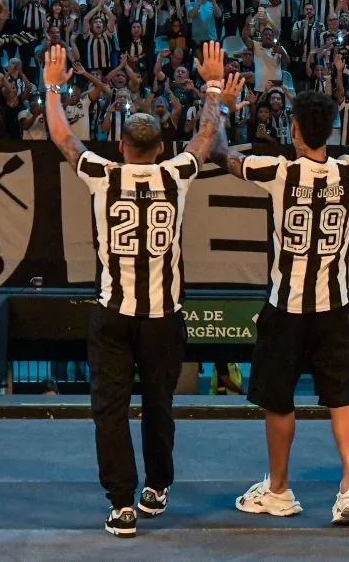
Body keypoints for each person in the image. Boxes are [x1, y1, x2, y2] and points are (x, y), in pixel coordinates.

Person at [44, 41, 240, 538]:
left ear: (122, 148)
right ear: (160, 150)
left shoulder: (102, 174)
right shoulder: (177, 173)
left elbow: (62, 137)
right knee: (158, 404)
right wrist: (212, 86)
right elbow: (206, 136)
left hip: (113, 314)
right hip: (163, 316)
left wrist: (52, 86)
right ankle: (156, 486)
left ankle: (121, 503)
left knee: (108, 409)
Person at [211, 73, 349, 525]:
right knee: (342, 398)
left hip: (286, 308)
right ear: (331, 131)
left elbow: (219, 154)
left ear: (294, 130)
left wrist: (222, 107)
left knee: (278, 399)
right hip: (334, 307)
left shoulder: (279, 171)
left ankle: (278, 490)